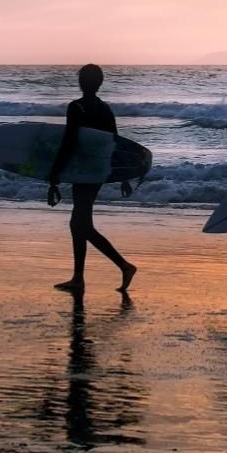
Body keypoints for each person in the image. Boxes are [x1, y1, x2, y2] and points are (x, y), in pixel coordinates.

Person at [47, 64, 137, 295]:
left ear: (80, 82)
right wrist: (122, 175)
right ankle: (78, 278)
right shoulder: (105, 109)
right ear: (100, 83)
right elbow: (115, 143)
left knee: (81, 224)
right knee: (79, 223)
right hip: (97, 170)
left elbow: (69, 143)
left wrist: (54, 174)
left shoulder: (76, 107)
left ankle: (124, 266)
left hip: (83, 171)